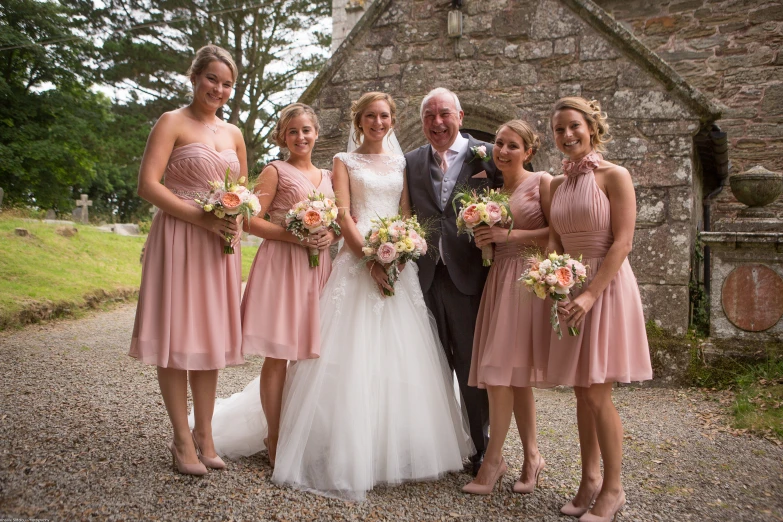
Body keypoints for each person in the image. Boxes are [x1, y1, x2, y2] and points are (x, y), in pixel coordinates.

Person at [210, 92, 473, 500]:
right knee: (340, 354)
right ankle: (325, 442)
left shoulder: (401, 163)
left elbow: (405, 213)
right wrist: (370, 257)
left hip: (395, 264)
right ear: (358, 121)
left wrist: (398, 254)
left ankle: (394, 446)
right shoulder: (341, 163)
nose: (378, 122)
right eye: (370, 116)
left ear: (392, 119)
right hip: (357, 260)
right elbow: (344, 214)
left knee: (400, 354)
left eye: (384, 116)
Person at [129, 44, 246, 475]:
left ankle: (205, 433)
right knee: (178, 339)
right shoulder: (171, 122)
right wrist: (203, 218)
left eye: (227, 83)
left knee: (211, 340)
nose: (219, 88)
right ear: (194, 76)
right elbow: (148, 184)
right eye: (212, 78)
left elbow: (244, 191)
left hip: (219, 247)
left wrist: (235, 217)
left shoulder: (233, 134)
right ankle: (181, 440)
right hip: (180, 236)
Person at [546, 97, 652, 521]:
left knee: (597, 393)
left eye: (574, 126)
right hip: (568, 288)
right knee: (579, 388)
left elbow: (623, 243)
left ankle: (613, 488)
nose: (567, 135)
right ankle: (589, 478)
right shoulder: (556, 184)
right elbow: (554, 242)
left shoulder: (615, 176)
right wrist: (554, 285)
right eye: (558, 130)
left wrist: (589, 294)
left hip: (604, 287)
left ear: (591, 127)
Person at [404, 87, 502, 476]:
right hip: (424, 274)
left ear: (460, 116)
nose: (437, 123)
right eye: (429, 116)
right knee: (428, 365)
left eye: (444, 114)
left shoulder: (488, 155)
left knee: (470, 365)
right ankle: (438, 449)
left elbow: (513, 197)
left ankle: (482, 449)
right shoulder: (410, 161)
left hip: (471, 275)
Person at [239, 103, 337, 466]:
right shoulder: (274, 171)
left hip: (317, 269)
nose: (301, 137)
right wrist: (293, 236)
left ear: (316, 133)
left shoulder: (327, 176)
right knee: (279, 354)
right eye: (293, 131)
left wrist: (330, 233)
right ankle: (275, 435)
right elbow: (250, 220)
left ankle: (303, 431)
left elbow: (338, 222)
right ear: (283, 136)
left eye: (307, 130)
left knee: (311, 355)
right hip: (282, 265)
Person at [462, 120, 552, 495]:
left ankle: (494, 460)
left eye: (513, 145)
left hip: (526, 281)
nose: (502, 150)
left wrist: (506, 235)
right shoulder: (493, 190)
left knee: (501, 374)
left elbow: (556, 232)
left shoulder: (543, 182)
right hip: (499, 279)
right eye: (499, 143)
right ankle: (532, 457)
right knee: (514, 377)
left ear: (528, 152)